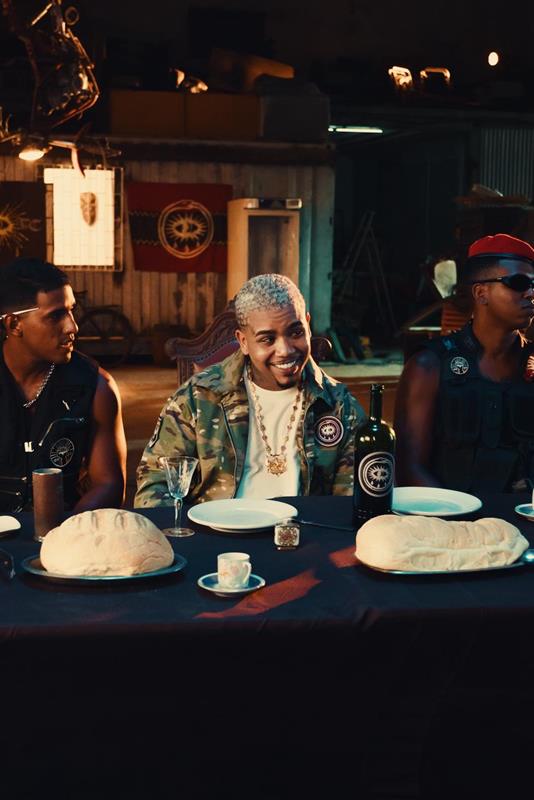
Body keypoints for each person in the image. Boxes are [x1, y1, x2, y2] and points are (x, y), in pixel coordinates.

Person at [135, 273, 364, 505]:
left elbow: (353, 501)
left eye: (296, 332)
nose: (285, 350)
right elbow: (154, 485)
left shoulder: (339, 405)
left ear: (308, 324)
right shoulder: (198, 397)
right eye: (267, 339)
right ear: (243, 341)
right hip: (218, 525)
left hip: (304, 526)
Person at [394, 233, 534, 493]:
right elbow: (409, 470)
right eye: (519, 283)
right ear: (481, 293)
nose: (531, 293)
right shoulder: (429, 366)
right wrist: (462, 513)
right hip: (447, 514)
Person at [0, 258, 127, 512]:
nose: (73, 327)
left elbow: (110, 485)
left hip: (67, 528)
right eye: (56, 315)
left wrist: (66, 529)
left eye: (71, 311)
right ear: (15, 325)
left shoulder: (97, 387)